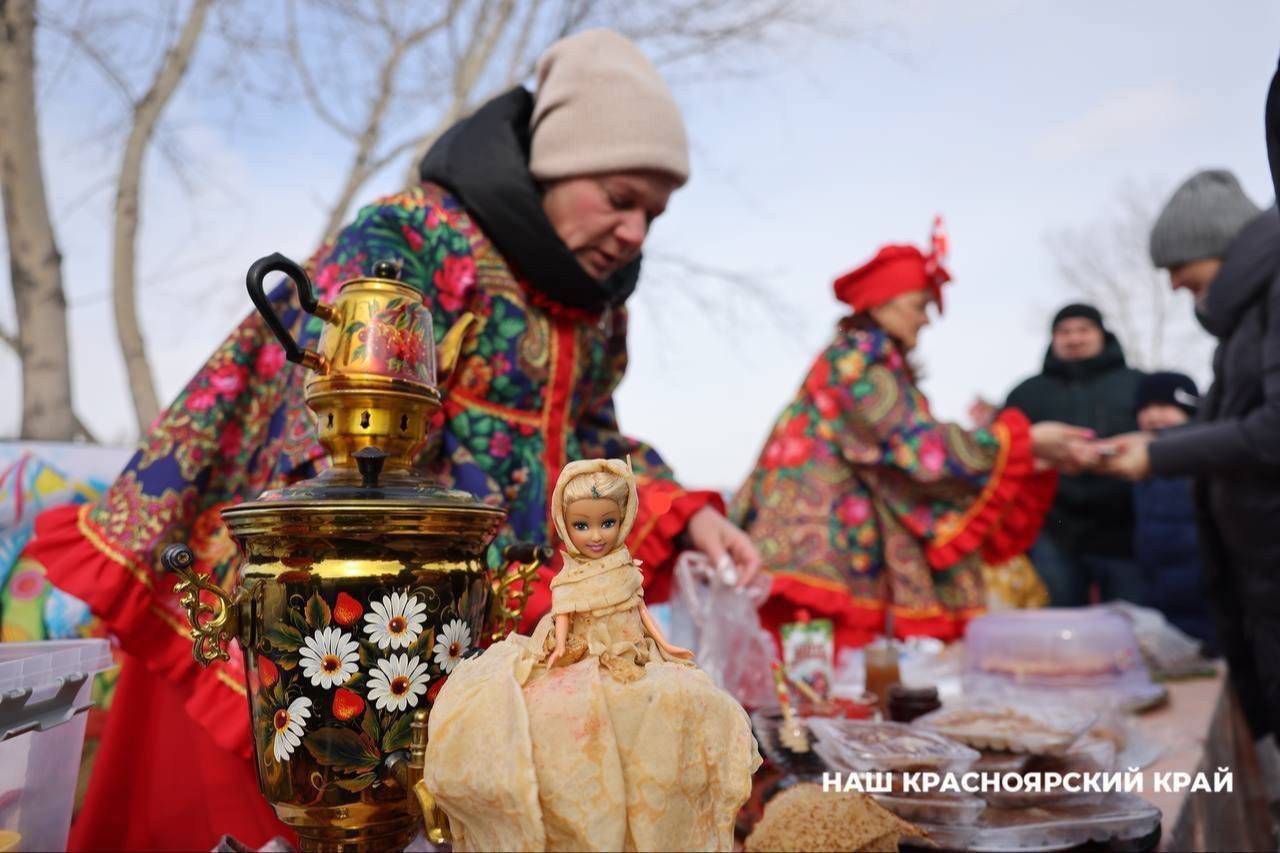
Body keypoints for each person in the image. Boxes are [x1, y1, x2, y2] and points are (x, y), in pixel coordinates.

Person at [22, 29, 758, 850]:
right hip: (340, 606)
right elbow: (337, 394)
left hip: (473, 619)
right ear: (553, 163)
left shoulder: (598, 315)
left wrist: (688, 513)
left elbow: (592, 436)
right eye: (620, 197)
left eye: (653, 214)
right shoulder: (418, 236)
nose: (635, 234)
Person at [730, 222, 1088, 651]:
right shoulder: (858, 359)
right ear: (883, 303)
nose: (925, 320)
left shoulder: (861, 358)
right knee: (811, 672)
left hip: (817, 544)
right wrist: (1019, 442)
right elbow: (917, 449)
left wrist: (1033, 452)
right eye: (920, 305)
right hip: (816, 550)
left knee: (820, 673)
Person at [423, 458, 760, 851]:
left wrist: (665, 646)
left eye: (608, 524)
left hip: (626, 650)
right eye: (582, 526)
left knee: (680, 712)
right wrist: (560, 647)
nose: (596, 536)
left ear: (624, 519)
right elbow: (562, 616)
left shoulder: (625, 571)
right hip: (487, 553)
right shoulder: (570, 578)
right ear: (567, 525)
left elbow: (642, 614)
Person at [1101, 167, 1279, 744]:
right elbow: (1236, 426)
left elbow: (1273, 429)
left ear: (1219, 245)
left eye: (1179, 266)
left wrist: (1158, 458)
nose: (1174, 283)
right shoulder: (1246, 323)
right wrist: (1158, 446)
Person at [1004, 304, 1145, 606]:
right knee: (1058, 624)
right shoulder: (1027, 393)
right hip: (1053, 526)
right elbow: (1004, 448)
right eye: (1064, 332)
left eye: (1083, 330)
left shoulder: (1136, 384)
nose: (1074, 338)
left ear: (1101, 334)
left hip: (1125, 526)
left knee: (1130, 623)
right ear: (1053, 340)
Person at [1130, 372, 1215, 653]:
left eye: (1164, 407)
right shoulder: (1141, 457)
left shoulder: (1205, 453)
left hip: (1204, 585)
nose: (1153, 416)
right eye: (1145, 409)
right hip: (1160, 584)